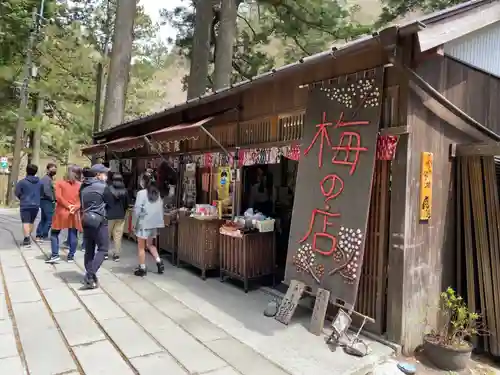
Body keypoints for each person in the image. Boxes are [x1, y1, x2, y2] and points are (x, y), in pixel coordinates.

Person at [80, 164, 111, 289]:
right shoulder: (103, 187)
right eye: (104, 173)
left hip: (86, 219)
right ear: (98, 175)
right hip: (99, 220)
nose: (106, 176)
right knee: (103, 249)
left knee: (89, 249)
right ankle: (90, 274)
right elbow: (110, 202)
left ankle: (91, 278)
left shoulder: (83, 186)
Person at [46, 165, 82, 263]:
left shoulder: (60, 183)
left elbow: (59, 197)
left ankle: (55, 254)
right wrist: (75, 207)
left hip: (61, 211)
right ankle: (71, 256)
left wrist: (67, 206)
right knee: (73, 233)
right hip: (73, 212)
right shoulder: (80, 185)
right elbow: (82, 199)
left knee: (54, 233)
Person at [133, 172, 165, 277]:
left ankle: (142, 268)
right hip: (153, 224)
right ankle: (159, 262)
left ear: (143, 182)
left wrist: (134, 223)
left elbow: (137, 210)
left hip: (143, 223)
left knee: (141, 247)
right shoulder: (157, 193)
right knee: (150, 244)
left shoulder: (141, 193)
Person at [15, 164, 42, 247]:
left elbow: (17, 192)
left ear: (27, 171)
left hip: (25, 204)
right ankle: (28, 235)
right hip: (36, 204)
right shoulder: (40, 182)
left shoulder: (22, 182)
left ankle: (26, 239)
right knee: (31, 221)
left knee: (25, 221)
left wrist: (21, 198)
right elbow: (42, 192)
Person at [105, 173, 129, 262]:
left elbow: (105, 202)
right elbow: (127, 204)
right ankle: (116, 255)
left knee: (107, 235)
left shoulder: (108, 189)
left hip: (109, 216)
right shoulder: (125, 191)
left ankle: (105, 253)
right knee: (118, 236)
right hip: (120, 216)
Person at [36, 163, 57, 242]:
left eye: (55, 169)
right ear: (48, 169)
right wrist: (52, 199)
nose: (54, 170)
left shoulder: (49, 178)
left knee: (44, 219)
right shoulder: (46, 179)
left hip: (45, 200)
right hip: (47, 201)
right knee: (49, 219)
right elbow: (46, 190)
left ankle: (39, 234)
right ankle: (43, 235)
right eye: (52, 169)